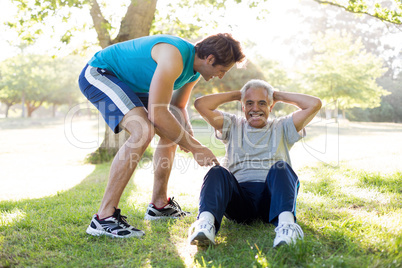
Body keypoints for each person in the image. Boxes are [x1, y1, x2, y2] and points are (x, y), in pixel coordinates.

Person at [79, 33, 246, 238]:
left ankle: (159, 205)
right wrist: (195, 147)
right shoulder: (174, 55)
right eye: (222, 70)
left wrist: (186, 134)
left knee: (171, 131)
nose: (221, 76)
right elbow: (158, 114)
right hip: (100, 73)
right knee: (144, 130)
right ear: (210, 59)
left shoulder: (193, 72)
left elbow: (177, 107)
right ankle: (103, 218)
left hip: (131, 85)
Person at [188, 79, 322, 247]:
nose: (255, 108)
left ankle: (286, 227)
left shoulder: (283, 126)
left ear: (271, 107)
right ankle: (205, 225)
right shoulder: (232, 124)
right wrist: (239, 94)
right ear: (243, 107)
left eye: (262, 103)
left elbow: (314, 104)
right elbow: (201, 104)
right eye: (249, 103)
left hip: (273, 200)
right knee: (217, 171)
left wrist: (276, 95)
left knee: (282, 167)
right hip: (239, 201)